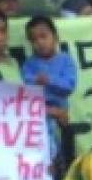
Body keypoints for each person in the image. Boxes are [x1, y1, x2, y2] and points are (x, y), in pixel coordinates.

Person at [22, 15, 77, 167]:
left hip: (61, 118)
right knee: (45, 156)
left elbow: (69, 86)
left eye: (44, 36)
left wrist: (50, 81)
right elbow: (26, 87)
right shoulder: (29, 64)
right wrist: (35, 82)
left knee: (65, 157)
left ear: (55, 37)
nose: (40, 42)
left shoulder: (66, 60)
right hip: (39, 117)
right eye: (34, 39)